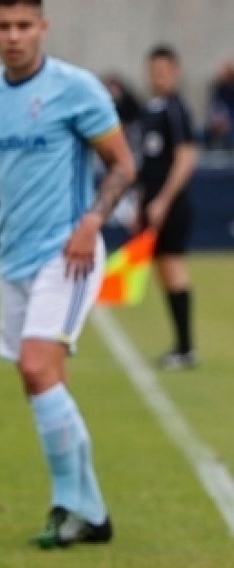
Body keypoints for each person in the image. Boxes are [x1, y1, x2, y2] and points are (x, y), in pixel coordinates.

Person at [0, 0, 136, 549]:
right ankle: (92, 513)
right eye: (4, 26)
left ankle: (69, 504)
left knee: (35, 367)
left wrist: (92, 222)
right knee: (43, 382)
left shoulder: (77, 89)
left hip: (67, 254)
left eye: (24, 26)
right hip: (14, 256)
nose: (14, 36)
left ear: (42, 28)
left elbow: (123, 163)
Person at [133, 45, 199, 369]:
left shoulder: (175, 109)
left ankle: (186, 348)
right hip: (152, 202)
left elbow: (186, 157)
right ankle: (181, 346)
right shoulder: (151, 110)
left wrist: (163, 200)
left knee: (173, 267)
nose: (158, 77)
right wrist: (141, 203)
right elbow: (148, 163)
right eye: (154, 71)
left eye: (163, 71)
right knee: (163, 271)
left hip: (170, 204)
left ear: (175, 72)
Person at [203, 61, 234, 150]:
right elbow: (213, 106)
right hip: (218, 121)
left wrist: (227, 121)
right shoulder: (218, 89)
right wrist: (215, 120)